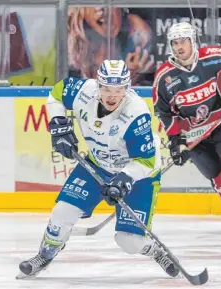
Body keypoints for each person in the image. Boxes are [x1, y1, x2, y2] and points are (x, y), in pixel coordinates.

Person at [17, 60, 179, 279]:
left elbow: (146, 162)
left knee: (128, 241)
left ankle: (154, 249)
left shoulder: (136, 113)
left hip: (139, 175)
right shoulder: (85, 92)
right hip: (97, 165)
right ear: (97, 84)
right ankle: (44, 255)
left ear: (127, 88)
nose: (112, 96)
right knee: (62, 212)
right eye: (106, 89)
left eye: (119, 90)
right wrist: (58, 124)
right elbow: (57, 93)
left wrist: (124, 179)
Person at [153, 22, 221, 234]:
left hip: (220, 122)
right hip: (193, 135)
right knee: (218, 178)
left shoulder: (214, 56)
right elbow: (164, 112)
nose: (179, 46)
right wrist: (176, 141)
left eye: (184, 41)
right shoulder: (164, 77)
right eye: (175, 43)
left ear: (193, 41)